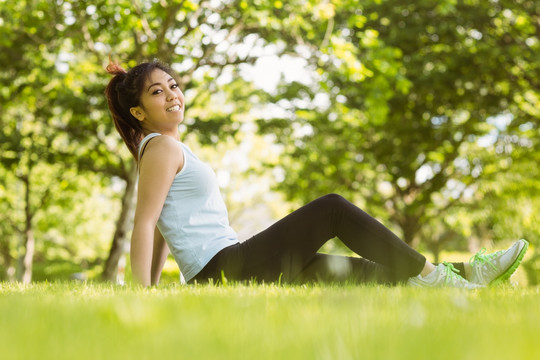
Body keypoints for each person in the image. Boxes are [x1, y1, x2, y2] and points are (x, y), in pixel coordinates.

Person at [105, 59, 529, 288]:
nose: (172, 94)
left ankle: (469, 274)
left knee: (368, 274)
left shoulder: (167, 149)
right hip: (225, 267)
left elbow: (161, 224)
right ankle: (439, 277)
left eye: (173, 84)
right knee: (331, 209)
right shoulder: (161, 147)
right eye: (157, 92)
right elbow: (144, 224)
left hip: (229, 265)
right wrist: (142, 295)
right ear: (139, 112)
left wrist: (159, 285)